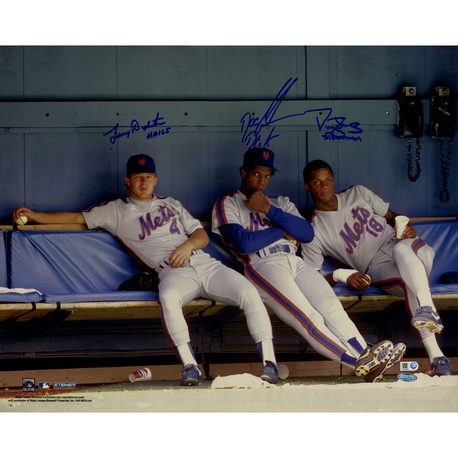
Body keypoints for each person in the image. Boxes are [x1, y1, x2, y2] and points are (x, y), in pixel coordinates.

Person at [12, 154, 281, 386]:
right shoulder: (116, 211)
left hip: (203, 262)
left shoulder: (171, 203)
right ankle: (190, 367)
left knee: (249, 291)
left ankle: (270, 363)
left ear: (156, 179)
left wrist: (187, 247)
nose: (144, 182)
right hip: (173, 273)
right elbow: (75, 218)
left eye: (149, 176)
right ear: (128, 181)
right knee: (168, 297)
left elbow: (201, 235)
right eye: (138, 177)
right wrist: (35, 215)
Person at [212, 147, 406, 382]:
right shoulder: (227, 203)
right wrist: (282, 230)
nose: (262, 181)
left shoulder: (280, 202)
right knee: (308, 318)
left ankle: (366, 354)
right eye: (256, 174)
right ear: (243, 172)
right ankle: (358, 363)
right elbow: (243, 243)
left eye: (267, 175)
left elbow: (306, 233)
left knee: (331, 308)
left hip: (295, 261)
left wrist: (267, 210)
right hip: (263, 264)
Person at [301, 159, 452, 377]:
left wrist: (407, 227)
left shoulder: (358, 193)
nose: (325, 186)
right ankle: (438, 358)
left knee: (402, 251)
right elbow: (312, 282)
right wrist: (342, 275)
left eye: (328, 180)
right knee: (406, 283)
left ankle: (428, 314)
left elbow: (394, 218)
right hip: (378, 267)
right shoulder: (313, 230)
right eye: (317, 182)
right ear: (308, 186)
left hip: (407, 248)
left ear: (334, 180)